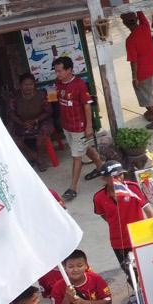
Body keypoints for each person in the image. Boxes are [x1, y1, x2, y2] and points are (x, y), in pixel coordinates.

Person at [53, 56, 103, 202]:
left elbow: (87, 106)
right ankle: (101, 167)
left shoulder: (79, 85)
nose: (58, 74)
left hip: (79, 128)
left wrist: (88, 126)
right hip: (67, 126)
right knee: (84, 148)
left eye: (60, 71)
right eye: (56, 71)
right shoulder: (58, 83)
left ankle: (73, 188)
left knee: (76, 155)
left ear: (69, 70)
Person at [93, 162, 150, 272]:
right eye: (114, 176)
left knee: (147, 268)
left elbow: (148, 211)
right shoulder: (98, 197)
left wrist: (150, 232)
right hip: (118, 242)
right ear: (104, 179)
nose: (119, 178)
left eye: (121, 175)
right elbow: (103, 215)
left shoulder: (133, 188)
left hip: (140, 237)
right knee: (129, 272)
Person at [121, 12, 153, 129]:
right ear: (136, 19)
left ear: (124, 23)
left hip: (143, 72)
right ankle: (151, 113)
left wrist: (134, 77)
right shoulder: (145, 26)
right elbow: (141, 14)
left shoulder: (130, 40)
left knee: (145, 97)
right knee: (150, 93)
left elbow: (133, 61)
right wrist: (136, 11)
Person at [6, 73, 57, 171]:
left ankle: (40, 158)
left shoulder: (41, 95)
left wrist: (35, 121)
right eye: (25, 84)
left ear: (34, 84)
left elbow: (48, 111)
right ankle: (33, 156)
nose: (28, 87)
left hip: (40, 120)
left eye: (31, 84)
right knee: (13, 138)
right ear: (20, 85)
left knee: (43, 135)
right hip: (22, 122)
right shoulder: (15, 98)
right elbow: (11, 113)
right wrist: (22, 123)